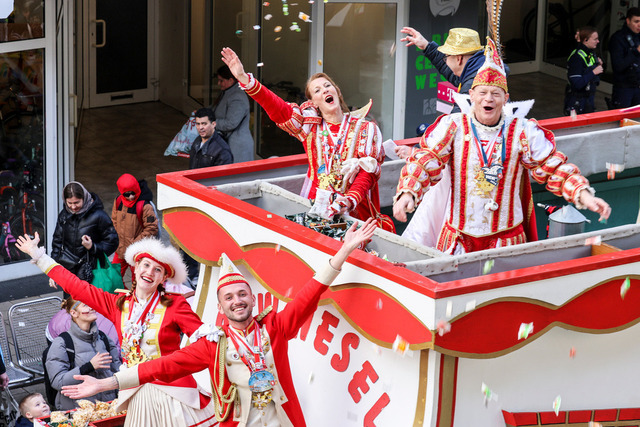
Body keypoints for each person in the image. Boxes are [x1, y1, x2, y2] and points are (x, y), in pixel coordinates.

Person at [55, 219, 376, 426]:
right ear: (221, 307)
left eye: (242, 294)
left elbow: (310, 293)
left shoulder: (275, 328)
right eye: (229, 297)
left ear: (252, 300)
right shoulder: (214, 346)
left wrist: (344, 250)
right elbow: (159, 368)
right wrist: (104, 384)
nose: (237, 300)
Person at [393, 38, 611, 254]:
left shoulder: (523, 131)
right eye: (482, 92)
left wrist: (584, 195)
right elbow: (426, 160)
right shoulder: (453, 126)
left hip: (506, 241)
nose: (488, 99)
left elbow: (553, 168)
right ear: (471, 95)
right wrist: (407, 193)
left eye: (495, 93)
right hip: (458, 240)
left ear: (505, 98)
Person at [15, 236, 216, 427]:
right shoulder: (119, 304)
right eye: (146, 265)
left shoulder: (175, 305)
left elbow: (204, 346)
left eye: (158, 270)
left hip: (172, 394)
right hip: (136, 393)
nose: (150, 272)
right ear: (136, 267)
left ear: (163, 277)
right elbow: (77, 286)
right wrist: (39, 257)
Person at [221, 47, 395, 232]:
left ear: (337, 92)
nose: (324, 90)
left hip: (354, 211)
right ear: (314, 103)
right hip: (316, 211)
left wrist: (349, 200)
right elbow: (279, 108)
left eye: (327, 86)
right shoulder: (310, 127)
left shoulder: (365, 128)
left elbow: (367, 172)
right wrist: (244, 78)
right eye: (317, 90)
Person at [397, 27, 485, 159]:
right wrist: (427, 46)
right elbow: (453, 74)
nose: (445, 61)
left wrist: (416, 151)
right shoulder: (479, 70)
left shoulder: (473, 85)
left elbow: (451, 130)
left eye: (446, 57)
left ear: (459, 59)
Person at [45, 297, 121, 410]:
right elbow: (58, 382)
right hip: (79, 412)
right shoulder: (62, 343)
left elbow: (118, 372)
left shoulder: (104, 338)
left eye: (91, 304)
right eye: (85, 305)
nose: (92, 308)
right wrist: (89, 366)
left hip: (108, 409)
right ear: (74, 313)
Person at [50, 182, 118, 289]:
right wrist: (54, 271)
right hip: (68, 270)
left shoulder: (99, 216)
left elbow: (112, 242)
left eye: (77, 202)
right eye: (69, 203)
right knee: (70, 299)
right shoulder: (64, 214)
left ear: (84, 198)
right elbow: (57, 243)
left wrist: (92, 247)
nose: (73, 207)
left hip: (90, 271)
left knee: (88, 299)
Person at [111, 173, 159, 279]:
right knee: (114, 277)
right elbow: (114, 221)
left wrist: (134, 244)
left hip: (136, 253)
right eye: (127, 194)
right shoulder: (118, 201)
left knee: (137, 280)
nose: (131, 196)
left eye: (133, 192)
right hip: (120, 250)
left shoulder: (145, 206)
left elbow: (151, 228)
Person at [212, 65, 255, 163]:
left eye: (221, 81)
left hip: (238, 147)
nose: (219, 83)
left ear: (231, 80)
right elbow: (216, 107)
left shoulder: (237, 97)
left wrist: (212, 123)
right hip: (229, 142)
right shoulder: (227, 92)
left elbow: (231, 123)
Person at [564, 27, 603, 115]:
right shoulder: (576, 57)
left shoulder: (590, 53)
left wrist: (598, 66)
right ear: (585, 40)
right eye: (595, 39)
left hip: (588, 99)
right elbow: (577, 83)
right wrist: (593, 72)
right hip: (577, 101)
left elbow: (595, 79)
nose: (598, 41)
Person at [609, 7, 640, 109]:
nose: (639, 25)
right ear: (628, 21)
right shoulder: (618, 39)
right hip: (623, 88)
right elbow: (618, 66)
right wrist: (636, 52)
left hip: (637, 86)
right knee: (622, 117)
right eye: (636, 21)